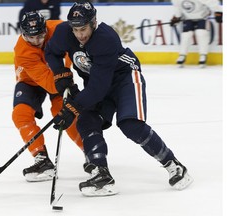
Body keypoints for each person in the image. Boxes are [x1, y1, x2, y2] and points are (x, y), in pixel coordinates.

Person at [45, 0, 193, 196]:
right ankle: (101, 175)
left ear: (94, 22)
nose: (79, 34)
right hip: (98, 81)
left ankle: (174, 165)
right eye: (75, 29)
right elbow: (51, 52)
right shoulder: (65, 32)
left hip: (124, 79)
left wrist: (73, 107)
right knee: (87, 121)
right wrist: (61, 75)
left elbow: (98, 88)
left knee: (130, 124)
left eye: (83, 29)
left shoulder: (105, 39)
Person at [12, 11, 84, 182]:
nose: (37, 41)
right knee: (20, 114)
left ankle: (91, 152)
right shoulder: (22, 51)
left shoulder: (59, 28)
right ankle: (41, 158)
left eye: (40, 35)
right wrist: (64, 83)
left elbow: (80, 37)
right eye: (31, 38)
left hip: (58, 73)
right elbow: (45, 79)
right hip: (31, 80)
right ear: (23, 34)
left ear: (45, 28)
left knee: (64, 112)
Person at [170, 0, 222, 67]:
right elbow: (177, 7)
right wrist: (177, 17)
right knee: (186, 35)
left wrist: (218, 12)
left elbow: (211, 1)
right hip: (187, 18)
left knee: (201, 33)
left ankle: (203, 55)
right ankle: (182, 55)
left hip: (202, 17)